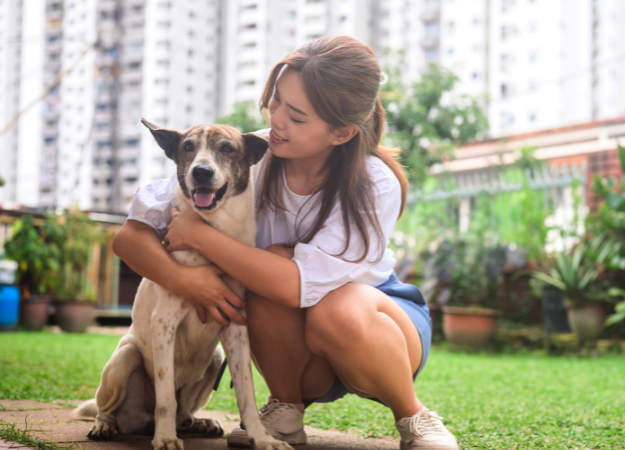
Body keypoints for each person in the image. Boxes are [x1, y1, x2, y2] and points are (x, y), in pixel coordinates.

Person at [113, 35, 459, 450]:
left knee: (329, 302)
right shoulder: (241, 157)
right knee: (267, 265)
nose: (277, 120)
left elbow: (294, 284)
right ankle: (286, 408)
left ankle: (413, 416)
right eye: (276, 102)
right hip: (298, 354)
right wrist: (185, 281)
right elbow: (129, 238)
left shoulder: (373, 181)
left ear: (341, 132)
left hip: (376, 333)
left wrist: (200, 235)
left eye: (296, 116)